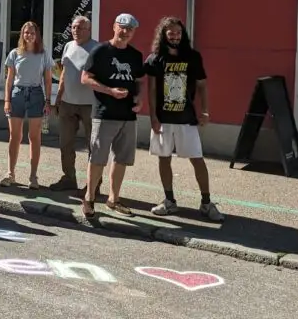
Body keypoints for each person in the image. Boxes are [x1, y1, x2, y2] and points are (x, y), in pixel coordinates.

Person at [145, 16, 225, 222]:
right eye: (171, 32)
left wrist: (205, 111)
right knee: (164, 159)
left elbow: (202, 85)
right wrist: (153, 116)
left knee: (197, 159)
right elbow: (151, 89)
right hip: (163, 119)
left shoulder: (192, 57)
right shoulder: (155, 59)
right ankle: (169, 201)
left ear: (183, 34)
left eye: (178, 33)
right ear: (163, 34)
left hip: (186, 118)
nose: (175, 36)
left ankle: (207, 203)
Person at [79, 13, 146, 218]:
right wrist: (110, 91)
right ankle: (89, 199)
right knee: (98, 158)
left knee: (122, 159)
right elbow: (85, 78)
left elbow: (140, 81)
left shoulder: (135, 55)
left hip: (128, 116)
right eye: (122, 27)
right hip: (104, 113)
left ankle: (113, 199)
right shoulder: (100, 51)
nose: (125, 32)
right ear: (114, 27)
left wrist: (140, 99)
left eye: (130, 29)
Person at [50, 15, 99, 193]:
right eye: (73, 28)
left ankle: (94, 184)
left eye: (80, 28)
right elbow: (63, 74)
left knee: (93, 146)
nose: (76, 31)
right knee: (66, 144)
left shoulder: (97, 48)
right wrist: (58, 97)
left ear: (88, 30)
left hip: (90, 105)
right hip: (67, 103)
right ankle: (69, 178)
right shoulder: (68, 46)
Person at [2, 21, 53, 189]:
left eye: (32, 32)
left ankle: (33, 176)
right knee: (15, 136)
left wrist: (47, 101)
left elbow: (47, 79)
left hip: (36, 94)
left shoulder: (43, 54)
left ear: (37, 35)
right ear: (22, 35)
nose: (29, 35)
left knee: (35, 137)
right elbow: (9, 79)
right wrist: (7, 100)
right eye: (26, 32)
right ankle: (10, 174)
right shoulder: (15, 54)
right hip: (17, 94)